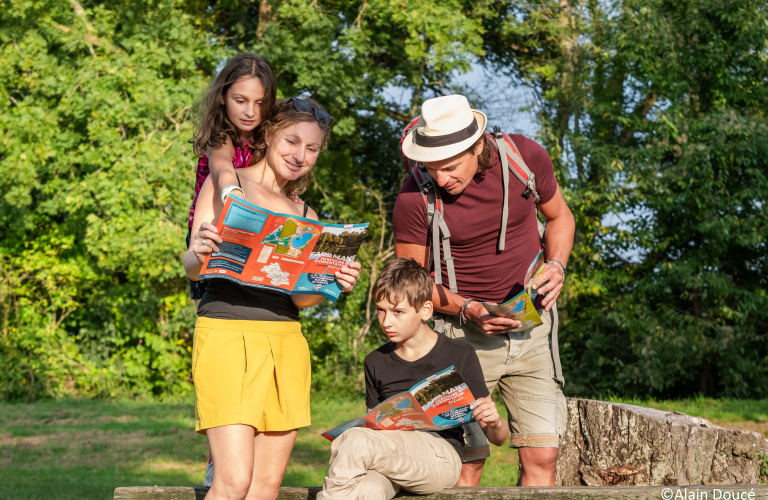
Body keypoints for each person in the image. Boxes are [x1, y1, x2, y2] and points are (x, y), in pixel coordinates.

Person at [183, 97, 361, 500]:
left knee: (265, 487)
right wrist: (200, 252)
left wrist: (332, 282)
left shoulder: (307, 213)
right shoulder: (228, 184)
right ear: (268, 135)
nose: (300, 156)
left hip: (286, 344)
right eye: (292, 141)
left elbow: (300, 300)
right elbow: (192, 267)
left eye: (312, 149)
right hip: (227, 336)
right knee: (232, 481)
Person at [394, 94, 575, 486]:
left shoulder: (525, 157)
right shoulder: (413, 196)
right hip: (459, 340)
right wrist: (469, 309)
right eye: (432, 167)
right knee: (464, 463)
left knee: (543, 456)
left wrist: (557, 265)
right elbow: (409, 286)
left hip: (532, 330)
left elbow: (560, 216)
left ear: (479, 145)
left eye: (451, 166)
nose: (441, 178)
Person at [317, 257, 510, 500]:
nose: (387, 322)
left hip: (440, 458)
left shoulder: (459, 354)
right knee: (368, 491)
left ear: (425, 310)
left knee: (355, 441)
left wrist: (494, 422)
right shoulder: (375, 361)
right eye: (381, 310)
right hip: (390, 456)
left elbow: (499, 438)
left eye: (398, 312)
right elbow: (374, 428)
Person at [188, 53, 277, 310]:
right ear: (222, 97)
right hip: (208, 236)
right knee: (214, 310)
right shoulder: (221, 137)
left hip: (248, 233)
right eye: (240, 100)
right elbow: (223, 167)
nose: (250, 111)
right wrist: (233, 194)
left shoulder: (264, 138)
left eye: (260, 103)